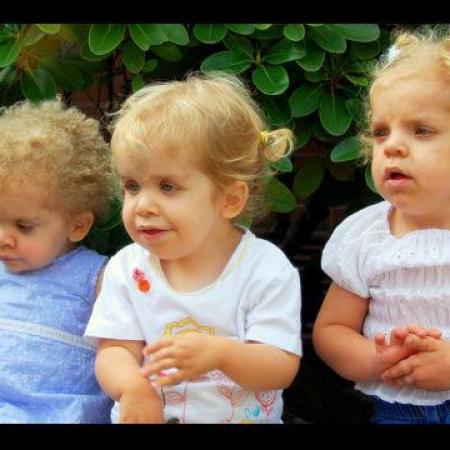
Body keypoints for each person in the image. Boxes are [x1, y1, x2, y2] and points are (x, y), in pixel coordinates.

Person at [84, 71, 302, 424]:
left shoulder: (263, 268)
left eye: (167, 187)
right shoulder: (129, 269)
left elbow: (280, 366)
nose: (143, 205)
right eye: (132, 186)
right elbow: (115, 350)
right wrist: (132, 387)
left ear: (229, 199)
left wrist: (221, 355)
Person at [312, 27, 450, 424]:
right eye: (380, 132)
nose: (392, 146)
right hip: (397, 411)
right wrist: (375, 358)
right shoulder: (366, 235)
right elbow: (332, 330)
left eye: (421, 130)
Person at [0, 98, 115, 423]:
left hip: (57, 412)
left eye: (23, 226)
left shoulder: (98, 277)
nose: (3, 238)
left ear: (77, 225)